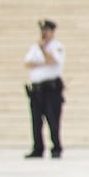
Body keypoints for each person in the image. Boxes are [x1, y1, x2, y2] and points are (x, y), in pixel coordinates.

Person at [24, 17, 66, 159]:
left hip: (51, 89)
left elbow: (53, 61)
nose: (44, 33)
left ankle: (56, 147)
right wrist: (43, 60)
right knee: (36, 121)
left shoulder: (57, 46)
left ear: (52, 32)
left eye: (46, 30)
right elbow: (28, 63)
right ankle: (38, 148)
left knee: (53, 119)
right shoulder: (34, 47)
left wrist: (42, 54)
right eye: (42, 30)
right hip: (37, 89)